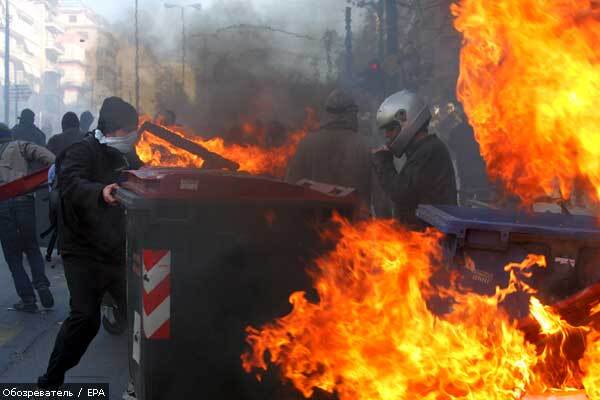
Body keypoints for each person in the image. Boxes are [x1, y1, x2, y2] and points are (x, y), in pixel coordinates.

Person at [38, 97, 143, 389]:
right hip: (81, 251)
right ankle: (51, 379)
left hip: (115, 248)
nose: (132, 136)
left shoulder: (126, 155)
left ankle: (143, 381)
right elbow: (72, 184)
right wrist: (101, 192)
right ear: (110, 129)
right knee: (85, 318)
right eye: (127, 131)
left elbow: (143, 175)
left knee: (142, 314)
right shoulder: (80, 152)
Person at [371, 90, 457, 229]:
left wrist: (384, 161)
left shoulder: (428, 151)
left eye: (391, 128)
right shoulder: (423, 149)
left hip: (432, 238)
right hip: (426, 235)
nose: (387, 135)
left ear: (406, 121)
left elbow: (401, 193)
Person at [0, 123, 55, 312]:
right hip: (24, 201)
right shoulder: (19, 146)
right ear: (10, 136)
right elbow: (48, 157)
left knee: (13, 255)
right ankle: (41, 284)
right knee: (31, 247)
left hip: (2, 205)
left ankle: (28, 299)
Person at [286, 89, 372, 207]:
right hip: (353, 224)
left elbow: (290, 187)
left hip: (313, 221)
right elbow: (380, 198)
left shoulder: (307, 143)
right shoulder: (365, 146)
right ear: (351, 114)